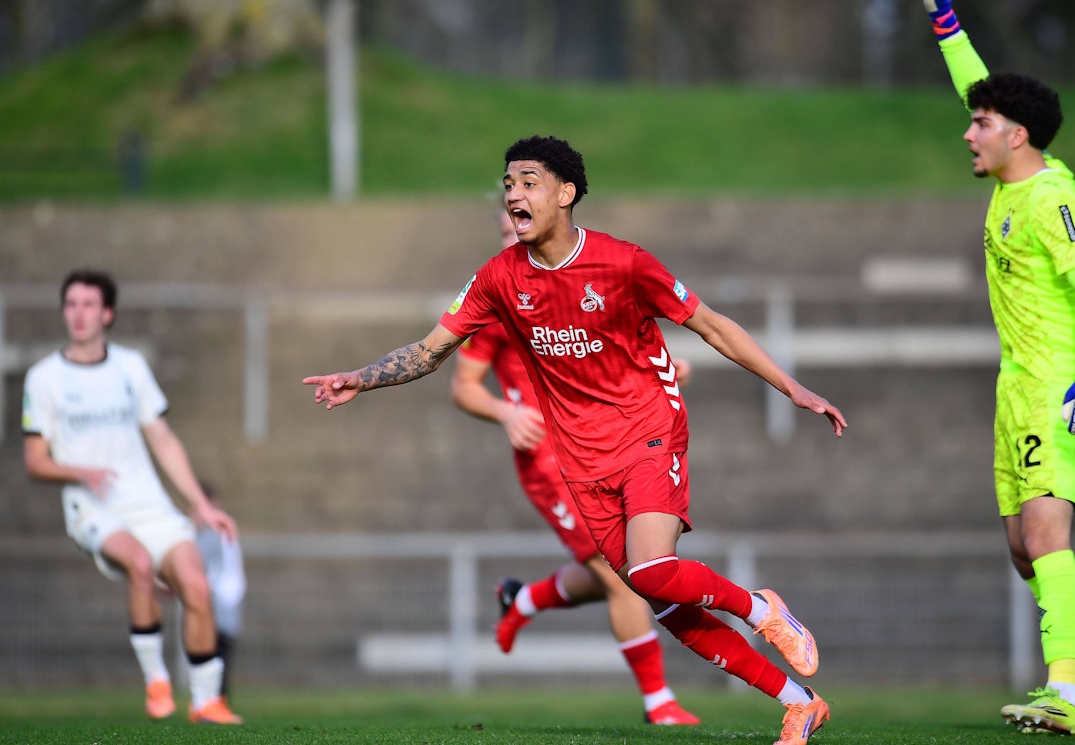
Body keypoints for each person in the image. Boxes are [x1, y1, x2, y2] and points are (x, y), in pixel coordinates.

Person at [306, 136, 846, 743]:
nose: (514, 192)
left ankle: (761, 609)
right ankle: (798, 702)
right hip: (579, 458)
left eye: (528, 181)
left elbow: (712, 325)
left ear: (565, 194)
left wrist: (791, 387)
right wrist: (360, 377)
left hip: (648, 429)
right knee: (660, 597)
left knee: (651, 570)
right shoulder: (498, 278)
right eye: (508, 183)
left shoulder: (625, 263)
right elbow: (431, 352)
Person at [450, 210, 699, 726]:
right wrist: (505, 411)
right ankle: (660, 704)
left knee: (628, 566)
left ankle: (525, 599)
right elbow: (463, 385)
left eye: (517, 225)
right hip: (548, 458)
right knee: (621, 575)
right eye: (503, 230)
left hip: (605, 445)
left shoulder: (574, 286)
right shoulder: (497, 299)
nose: (511, 236)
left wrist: (659, 377)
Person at [918, 0, 1075, 734]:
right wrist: (944, 18)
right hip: (1014, 386)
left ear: (1016, 136)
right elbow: (972, 89)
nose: (968, 132)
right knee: (1024, 550)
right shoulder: (1011, 178)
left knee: (1047, 529)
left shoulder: (1051, 199)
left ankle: (1067, 694)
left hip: (1057, 381)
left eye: (980, 124)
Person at [22, 269, 242, 725]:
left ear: (107, 313)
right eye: (71, 304)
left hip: (149, 503)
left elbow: (162, 439)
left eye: (87, 305)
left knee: (196, 586)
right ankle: (156, 682)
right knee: (140, 564)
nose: (78, 314)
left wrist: (200, 505)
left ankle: (206, 703)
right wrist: (78, 469)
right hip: (92, 506)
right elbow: (35, 461)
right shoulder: (44, 378)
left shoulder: (130, 367)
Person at [194, 481, 246, 703]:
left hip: (221, 603)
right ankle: (205, 700)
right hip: (207, 601)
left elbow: (228, 572)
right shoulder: (194, 534)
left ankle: (216, 700)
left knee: (220, 653)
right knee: (205, 651)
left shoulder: (219, 533)